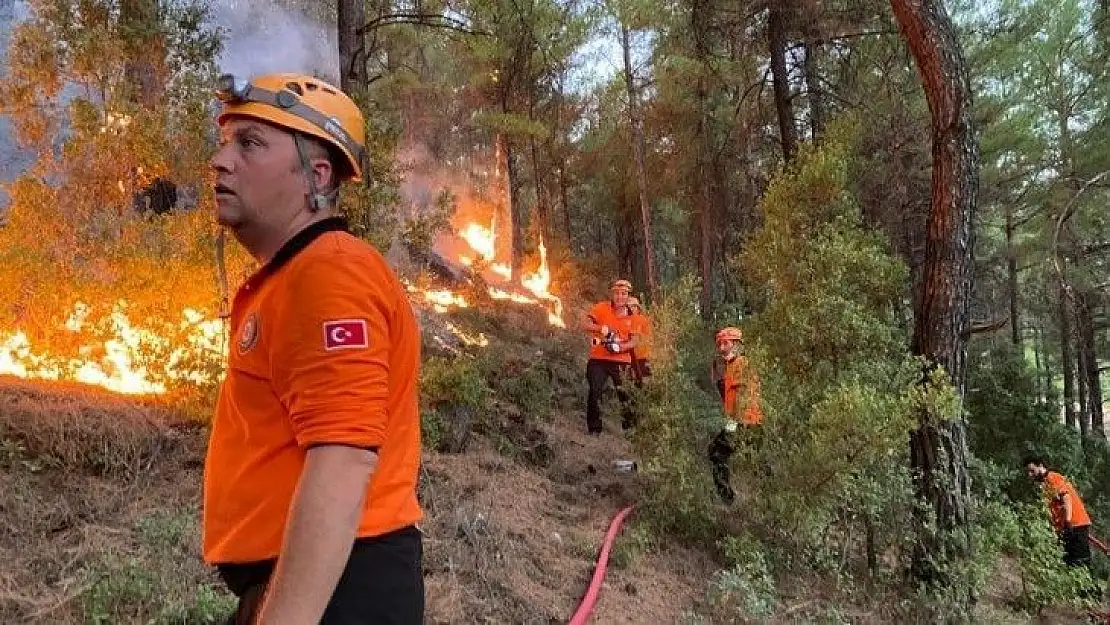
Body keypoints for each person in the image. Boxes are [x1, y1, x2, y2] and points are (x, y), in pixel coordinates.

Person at [204, 72, 424, 624]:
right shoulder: (295, 275)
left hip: (341, 586)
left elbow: (343, 459)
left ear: (316, 175)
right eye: (226, 140)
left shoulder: (329, 274)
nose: (220, 160)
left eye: (250, 143)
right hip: (317, 582)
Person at [708, 326, 763, 504]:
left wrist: (733, 422)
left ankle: (727, 499)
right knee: (757, 461)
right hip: (747, 422)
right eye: (720, 344)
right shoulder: (732, 365)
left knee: (716, 453)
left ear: (737, 344)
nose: (722, 348)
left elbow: (741, 393)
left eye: (726, 343)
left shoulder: (741, 363)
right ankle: (770, 496)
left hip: (745, 422)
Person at [580, 279, 639, 434]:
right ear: (612, 294)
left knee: (626, 394)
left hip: (621, 361)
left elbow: (634, 341)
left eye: (623, 294)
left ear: (628, 296)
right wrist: (602, 328)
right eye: (617, 293)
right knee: (595, 391)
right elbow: (585, 324)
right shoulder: (601, 308)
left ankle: (630, 430)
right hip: (598, 359)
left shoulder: (633, 316)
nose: (620, 297)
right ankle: (594, 429)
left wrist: (620, 347)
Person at [1024, 455, 1093, 569]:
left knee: (1080, 564)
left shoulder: (1053, 478)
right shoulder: (1045, 484)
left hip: (1075, 525)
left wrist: (1068, 522)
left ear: (1040, 465)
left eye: (1032, 471)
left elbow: (1066, 498)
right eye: (1028, 472)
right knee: (1069, 564)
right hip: (1067, 527)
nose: (1030, 475)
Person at [627, 297, 653, 386]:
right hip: (637, 357)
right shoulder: (641, 319)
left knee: (641, 383)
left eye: (633, 307)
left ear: (637, 308)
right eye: (629, 307)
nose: (631, 309)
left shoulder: (639, 319)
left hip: (641, 356)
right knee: (640, 383)